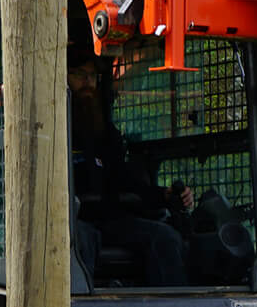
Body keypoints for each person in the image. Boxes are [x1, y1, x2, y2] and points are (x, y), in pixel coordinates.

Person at [67, 41, 190, 286]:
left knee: (164, 237)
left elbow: (126, 181)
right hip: (72, 222)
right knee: (78, 241)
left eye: (92, 76)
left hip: (110, 221)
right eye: (80, 75)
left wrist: (163, 195)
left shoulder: (106, 134)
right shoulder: (49, 131)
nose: (88, 83)